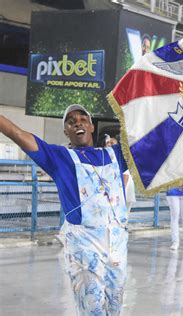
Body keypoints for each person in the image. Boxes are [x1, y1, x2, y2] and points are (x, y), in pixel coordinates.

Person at [0, 105, 130, 315]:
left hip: (117, 245)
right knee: (92, 309)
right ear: (66, 132)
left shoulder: (115, 154)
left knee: (115, 307)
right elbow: (16, 133)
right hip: (85, 247)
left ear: (91, 127)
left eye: (82, 119)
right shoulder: (59, 157)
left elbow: (149, 141)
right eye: (71, 121)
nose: (77, 122)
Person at [105, 135, 136, 214]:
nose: (109, 145)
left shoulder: (121, 159)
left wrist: (119, 195)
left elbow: (125, 177)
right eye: (108, 143)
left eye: (112, 143)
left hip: (124, 194)